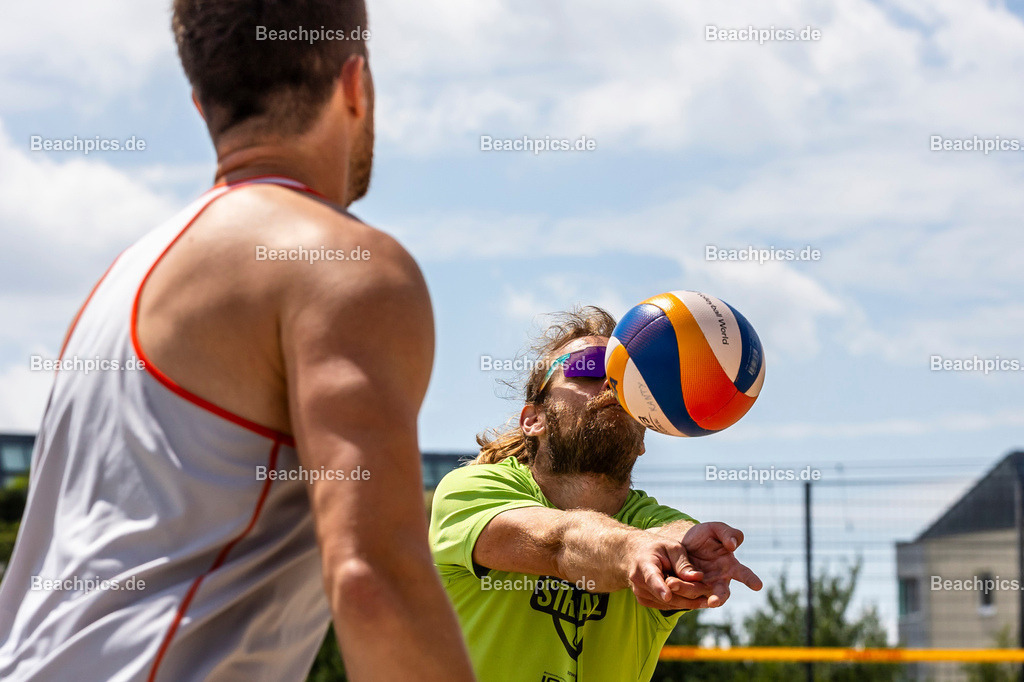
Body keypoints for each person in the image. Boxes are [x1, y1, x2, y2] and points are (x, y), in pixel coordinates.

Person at [0, 1, 474, 680]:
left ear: (200, 104)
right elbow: (374, 581)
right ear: (354, 84)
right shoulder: (339, 265)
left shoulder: (119, 284)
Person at [429, 306, 762, 681]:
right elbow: (558, 542)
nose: (614, 384)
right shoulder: (473, 490)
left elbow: (674, 534)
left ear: (643, 438)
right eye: (588, 366)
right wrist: (633, 550)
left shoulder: (650, 524)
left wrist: (690, 554)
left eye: (632, 374)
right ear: (532, 419)